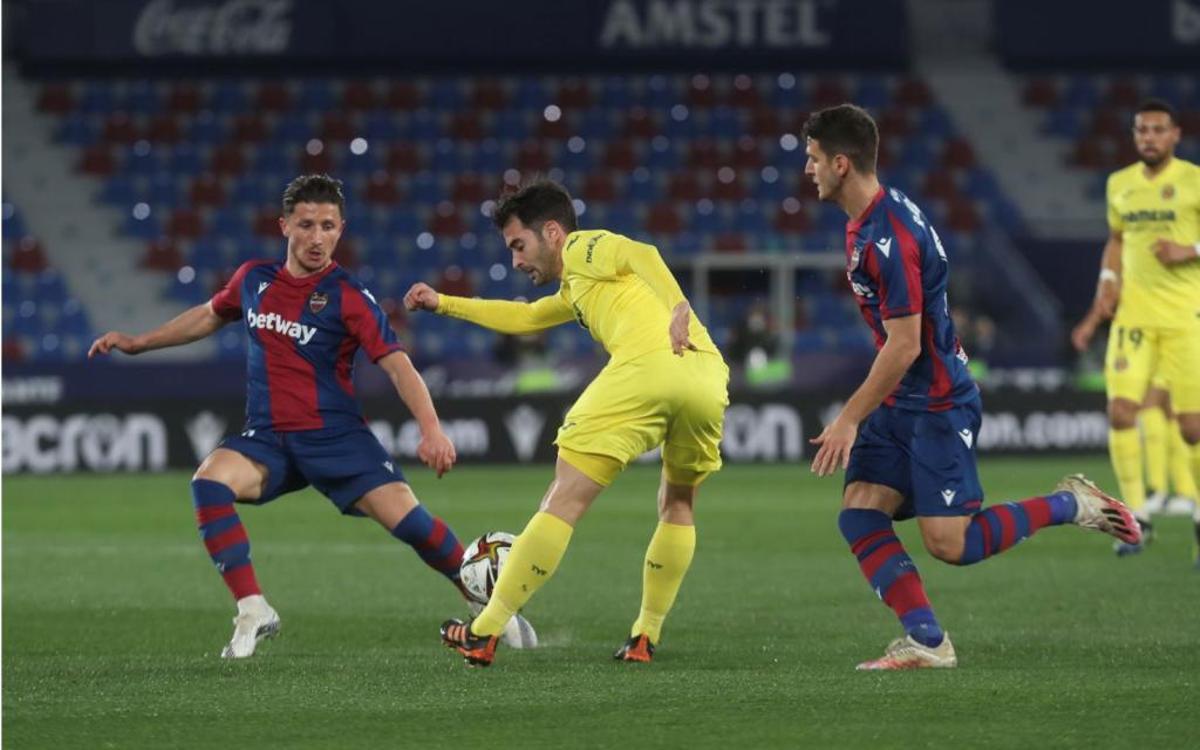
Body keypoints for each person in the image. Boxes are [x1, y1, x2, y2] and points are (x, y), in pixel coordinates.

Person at [88, 174, 533, 658]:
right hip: (268, 439)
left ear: (341, 230)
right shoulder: (253, 280)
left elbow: (398, 366)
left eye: (327, 226)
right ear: (284, 226)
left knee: (415, 528)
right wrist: (139, 343)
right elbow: (208, 314)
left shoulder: (347, 296)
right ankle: (253, 607)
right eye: (306, 225)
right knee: (209, 481)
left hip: (336, 440)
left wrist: (431, 430)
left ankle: (486, 604)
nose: (317, 237)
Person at [802, 104, 1142, 670]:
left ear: (841, 163)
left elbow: (906, 344)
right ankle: (927, 640)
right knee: (859, 510)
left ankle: (1070, 503)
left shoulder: (891, 236)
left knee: (950, 545)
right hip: (902, 398)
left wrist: (848, 417)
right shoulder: (869, 220)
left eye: (814, 159)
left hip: (936, 401)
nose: (808, 170)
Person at [403, 179, 729, 667]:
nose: (515, 260)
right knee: (678, 501)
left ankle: (485, 630)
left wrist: (679, 306)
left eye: (519, 245)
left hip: (650, 365)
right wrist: (444, 302)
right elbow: (526, 318)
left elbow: (642, 251)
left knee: (564, 498)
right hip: (705, 376)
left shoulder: (582, 248)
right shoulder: (580, 286)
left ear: (552, 232)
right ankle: (645, 635)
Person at [1078, 98, 1200, 560]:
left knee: (1191, 428)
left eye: (1157, 130)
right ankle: (1139, 516)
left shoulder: (1194, 180)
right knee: (1121, 413)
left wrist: (1190, 250)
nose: (1148, 137)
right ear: (1135, 136)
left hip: (1185, 318)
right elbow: (1116, 240)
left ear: (1174, 136)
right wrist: (1108, 284)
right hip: (1133, 319)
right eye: (1141, 130)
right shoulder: (1120, 185)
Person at [1074, 308, 1198, 521]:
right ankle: (1173, 491)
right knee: (1166, 410)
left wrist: (1092, 320)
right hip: (1160, 325)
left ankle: (1178, 491)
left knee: (1168, 409)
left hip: (1173, 325)